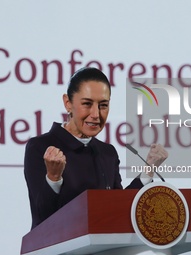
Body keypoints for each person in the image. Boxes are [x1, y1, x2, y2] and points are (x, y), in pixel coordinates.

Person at [24, 67, 168, 229]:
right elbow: (42, 217)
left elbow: (119, 208)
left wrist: (148, 170)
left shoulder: (107, 153)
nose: (96, 114)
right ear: (68, 103)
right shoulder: (40, 146)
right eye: (87, 104)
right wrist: (53, 178)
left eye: (103, 105)